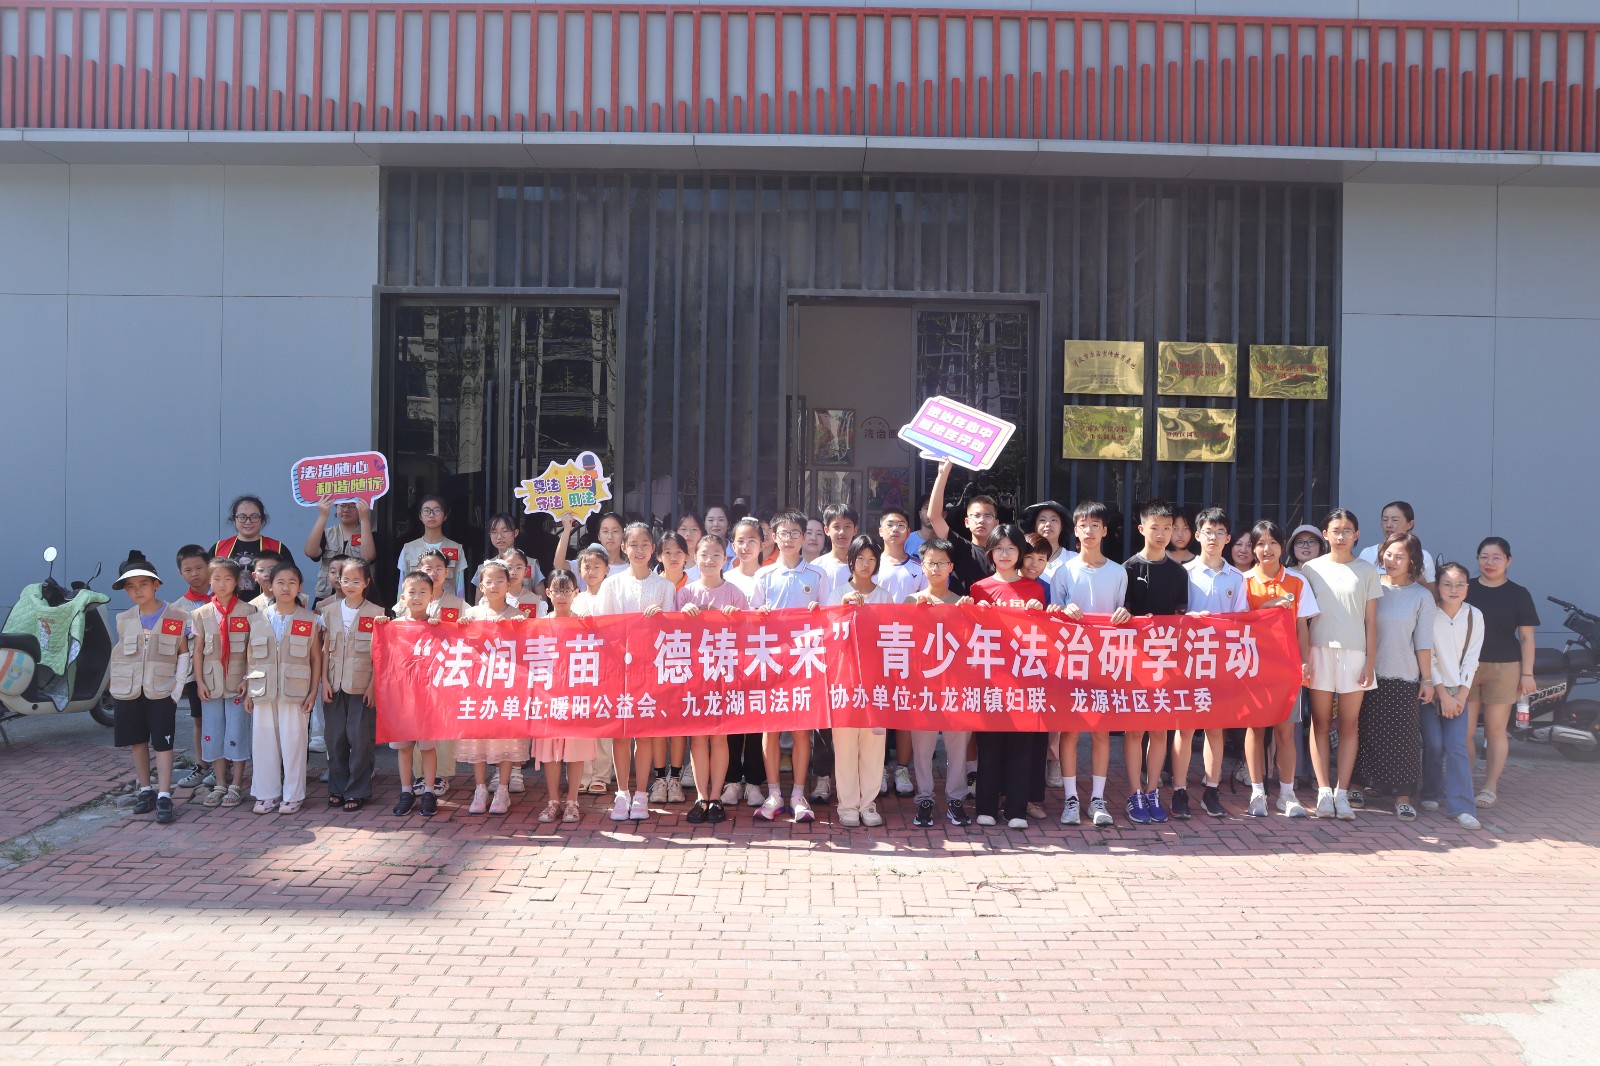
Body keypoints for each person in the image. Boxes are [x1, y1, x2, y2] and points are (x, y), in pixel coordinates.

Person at [1300, 508, 1384, 820]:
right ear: (1325, 534)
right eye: (1335, 530)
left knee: (1349, 725)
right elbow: (1303, 620)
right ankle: (1323, 792)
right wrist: (1304, 657)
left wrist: (1370, 661)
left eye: (1347, 530)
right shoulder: (1311, 569)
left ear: (1356, 535)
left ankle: (1342, 793)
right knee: (1320, 723)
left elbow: (1371, 621)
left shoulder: (1367, 571)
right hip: (1319, 651)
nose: (1341, 536)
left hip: (1355, 655)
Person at [1050, 501, 1130, 825]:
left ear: (1105, 531)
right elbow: (1051, 619)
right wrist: (1062, 611)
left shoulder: (1119, 572)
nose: (1090, 531)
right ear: (1076, 531)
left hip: (1106, 661)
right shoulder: (1064, 571)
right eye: (1084, 525)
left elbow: (1121, 614)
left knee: (1101, 731)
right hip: (1072, 661)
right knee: (1070, 732)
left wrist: (1125, 615)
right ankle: (1071, 799)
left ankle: (1097, 799)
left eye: (1095, 525)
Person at [969, 525, 1049, 830]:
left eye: (1011, 548)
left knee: (1022, 746)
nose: (1005, 554)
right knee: (989, 746)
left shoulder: (1034, 589)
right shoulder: (979, 588)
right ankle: (986, 807)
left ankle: (1016, 809)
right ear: (990, 553)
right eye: (999, 548)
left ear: (1020, 553)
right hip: (991, 679)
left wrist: (1039, 613)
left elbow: (1043, 634)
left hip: (1025, 679)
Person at [597, 522, 677, 822]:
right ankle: (622, 792)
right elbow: (604, 628)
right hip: (619, 670)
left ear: (653, 549)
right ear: (623, 548)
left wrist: (661, 619)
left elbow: (672, 634)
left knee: (643, 734)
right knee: (621, 734)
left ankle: (641, 793)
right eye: (633, 544)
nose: (639, 550)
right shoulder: (611, 585)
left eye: (645, 544)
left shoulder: (665, 587)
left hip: (650, 671)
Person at [1353, 533, 1435, 821]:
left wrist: (1427, 680)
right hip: (1365, 673)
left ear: (1413, 561)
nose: (1392, 561)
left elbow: (1423, 642)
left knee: (1404, 739)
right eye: (1388, 554)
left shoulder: (1422, 596)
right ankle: (1356, 786)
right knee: (1361, 732)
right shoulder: (1371, 586)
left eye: (1400, 556)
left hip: (1403, 676)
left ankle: (1402, 796)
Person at [1174, 506, 1250, 819]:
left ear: (1228, 538)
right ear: (1197, 535)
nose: (1214, 538)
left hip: (1220, 663)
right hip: (1188, 661)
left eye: (1220, 532)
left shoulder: (1237, 577)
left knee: (1215, 728)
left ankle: (1211, 790)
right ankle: (1179, 790)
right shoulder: (1183, 572)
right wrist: (1188, 618)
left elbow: (1242, 622)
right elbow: (1172, 616)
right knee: (1185, 728)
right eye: (1208, 532)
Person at [752, 510, 827, 823]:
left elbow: (828, 620)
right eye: (784, 533)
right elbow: (750, 620)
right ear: (774, 537)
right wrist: (760, 614)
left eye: (796, 533)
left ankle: (798, 794)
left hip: (804, 663)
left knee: (800, 729)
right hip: (771, 661)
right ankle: (773, 794)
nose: (790, 539)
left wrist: (819, 612)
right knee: (770, 730)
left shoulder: (818, 575)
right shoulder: (763, 575)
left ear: (804, 537)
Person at [1241, 520, 1319, 818]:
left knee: (1286, 731)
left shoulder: (1297, 582)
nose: (1267, 549)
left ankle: (1287, 794)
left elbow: (1302, 626)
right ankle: (1257, 792)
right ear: (1253, 549)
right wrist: (1269, 606)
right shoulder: (1243, 581)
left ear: (1282, 546)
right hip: (1253, 666)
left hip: (1286, 668)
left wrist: (1304, 661)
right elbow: (1240, 624)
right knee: (1255, 729)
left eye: (1273, 542)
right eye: (1260, 543)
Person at [1118, 500, 1188, 827]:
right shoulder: (1127, 569)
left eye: (1167, 528)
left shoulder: (1179, 572)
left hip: (1166, 661)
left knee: (1160, 730)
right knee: (1134, 730)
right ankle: (1134, 793)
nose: (1161, 534)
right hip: (1134, 661)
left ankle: (1152, 791)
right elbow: (1120, 614)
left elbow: (1181, 616)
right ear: (1141, 528)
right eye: (1155, 527)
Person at [108, 550, 190, 826]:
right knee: (137, 741)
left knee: (163, 743)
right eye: (131, 586)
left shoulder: (177, 616)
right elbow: (120, 656)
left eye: (143, 584)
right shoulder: (123, 619)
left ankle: (164, 794)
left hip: (162, 691)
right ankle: (146, 789)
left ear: (156, 584)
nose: (137, 591)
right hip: (129, 691)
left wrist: (176, 691)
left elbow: (183, 654)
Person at [676, 534, 747, 823]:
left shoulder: (735, 594)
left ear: (725, 558)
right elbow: (672, 635)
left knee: (719, 737)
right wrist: (682, 614)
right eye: (704, 554)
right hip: (694, 676)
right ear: (695, 557)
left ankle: (716, 796)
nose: (709, 560)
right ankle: (700, 797)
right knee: (697, 739)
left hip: (723, 676)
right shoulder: (685, 594)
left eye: (716, 554)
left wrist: (737, 616)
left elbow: (748, 636)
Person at [244, 562, 323, 816]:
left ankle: (293, 795)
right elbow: (251, 657)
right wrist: (249, 690)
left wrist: (313, 692)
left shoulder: (310, 619)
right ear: (270, 585)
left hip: (296, 691)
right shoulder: (256, 618)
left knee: (294, 743)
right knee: (263, 743)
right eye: (280, 582)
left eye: (292, 583)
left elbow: (316, 658)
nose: (286, 587)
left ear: (300, 587)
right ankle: (266, 794)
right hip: (263, 690)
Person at [1465, 537, 1539, 809]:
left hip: (1505, 667)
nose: (1490, 562)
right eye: (1484, 557)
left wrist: (1527, 673)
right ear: (1477, 559)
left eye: (1497, 557)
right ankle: (1464, 784)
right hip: (1467, 667)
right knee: (1464, 732)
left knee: (1495, 730)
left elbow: (1527, 638)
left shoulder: (1519, 594)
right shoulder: (1466, 588)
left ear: (1509, 561)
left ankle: (1490, 787)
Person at [457, 560, 530, 815]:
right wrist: (461, 627)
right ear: (481, 586)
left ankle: (502, 789)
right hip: (478, 687)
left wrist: (522, 626)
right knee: (478, 739)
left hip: (507, 688)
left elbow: (527, 651)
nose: (494, 585)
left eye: (500, 580)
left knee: (506, 738)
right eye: (489, 581)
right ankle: (480, 788)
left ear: (509, 584)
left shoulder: (517, 615)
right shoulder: (472, 614)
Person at [189, 557, 255, 809]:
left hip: (238, 682)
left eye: (228, 579)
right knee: (213, 731)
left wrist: (248, 678)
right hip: (211, 682)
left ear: (237, 582)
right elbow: (197, 650)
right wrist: (199, 682)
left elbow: (252, 650)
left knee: (236, 730)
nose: (222, 583)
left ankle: (236, 784)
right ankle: (219, 783)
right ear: (210, 581)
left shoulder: (249, 611)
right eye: (216, 578)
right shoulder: (201, 613)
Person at [320, 558, 385, 813]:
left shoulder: (377, 613)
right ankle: (337, 787)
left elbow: (380, 654)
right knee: (335, 739)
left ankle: (357, 790)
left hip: (361, 686)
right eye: (345, 580)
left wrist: (373, 685)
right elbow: (325, 649)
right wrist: (324, 681)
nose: (350, 585)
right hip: (334, 684)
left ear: (366, 583)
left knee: (360, 740)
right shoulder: (328, 611)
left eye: (356, 581)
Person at [1426, 562, 1484, 829]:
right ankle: (1431, 792)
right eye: (1447, 584)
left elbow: (1472, 658)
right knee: (1434, 744)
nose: (1454, 589)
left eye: (1460, 584)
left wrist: (1460, 696)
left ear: (1468, 587)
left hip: (1459, 691)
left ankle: (1462, 807)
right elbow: (1427, 655)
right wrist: (1442, 693)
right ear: (1437, 586)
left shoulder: (1475, 615)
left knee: (1457, 746)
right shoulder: (1429, 612)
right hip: (1430, 689)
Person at [534, 570, 595, 824]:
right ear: (548, 593)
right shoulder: (538, 624)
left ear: (575, 593)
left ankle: (572, 801)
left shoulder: (585, 623)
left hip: (576, 695)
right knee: (549, 751)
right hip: (547, 695)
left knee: (575, 749)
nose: (561, 596)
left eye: (566, 590)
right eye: (556, 590)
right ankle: (553, 801)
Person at [383, 570, 444, 817]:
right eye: (412, 592)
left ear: (432, 597)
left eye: (422, 592)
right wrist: (382, 626)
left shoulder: (438, 626)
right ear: (403, 596)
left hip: (428, 699)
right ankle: (406, 791)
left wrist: (446, 628)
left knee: (428, 747)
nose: (417, 597)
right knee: (404, 747)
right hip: (402, 698)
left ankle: (429, 791)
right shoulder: (393, 626)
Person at [719, 517, 770, 809]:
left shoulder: (769, 575)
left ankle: (754, 782)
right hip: (731, 659)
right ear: (732, 545)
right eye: (740, 540)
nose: (746, 546)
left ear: (762, 543)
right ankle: (731, 781)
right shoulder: (725, 577)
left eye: (752, 540)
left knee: (757, 721)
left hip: (762, 659)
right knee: (732, 720)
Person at [648, 531, 693, 801]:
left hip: (687, 664)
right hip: (655, 663)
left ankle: (675, 778)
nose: (673, 557)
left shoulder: (695, 584)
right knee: (656, 721)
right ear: (658, 556)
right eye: (667, 552)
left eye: (678, 552)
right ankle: (658, 779)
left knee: (679, 722)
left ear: (687, 555)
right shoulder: (653, 584)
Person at [569, 543, 616, 796]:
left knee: (604, 721)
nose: (591, 571)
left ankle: (600, 774)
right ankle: (583, 773)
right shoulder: (576, 599)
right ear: (579, 570)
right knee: (582, 721)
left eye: (597, 566)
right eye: (586, 566)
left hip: (608, 666)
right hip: (581, 667)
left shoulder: (614, 596)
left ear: (607, 569)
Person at [170, 544, 213, 791]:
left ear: (209, 567)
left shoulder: (224, 597)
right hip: (195, 675)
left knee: (224, 719)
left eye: (199, 567)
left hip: (224, 671)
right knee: (199, 720)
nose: (195, 573)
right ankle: (202, 765)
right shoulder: (178, 608)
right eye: (188, 570)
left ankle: (225, 765)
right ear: (180, 573)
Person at [926, 458, 998, 594]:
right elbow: (934, 517)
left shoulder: (1003, 553)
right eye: (976, 516)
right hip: (961, 607)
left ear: (996, 523)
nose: (981, 520)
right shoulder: (960, 547)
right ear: (966, 522)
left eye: (988, 516)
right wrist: (942, 474)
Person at [213, 495, 294, 599]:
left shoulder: (278, 548)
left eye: (254, 517)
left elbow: (292, 580)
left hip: (269, 607)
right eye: (242, 517)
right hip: (228, 607)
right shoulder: (219, 547)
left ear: (262, 519)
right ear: (234, 518)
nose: (248, 522)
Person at [304, 496, 377, 604]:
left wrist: (364, 518)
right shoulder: (327, 534)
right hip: (327, 596)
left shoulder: (369, 535)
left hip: (358, 597)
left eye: (352, 506)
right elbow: (310, 552)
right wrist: (323, 515)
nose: (346, 510)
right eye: (342, 505)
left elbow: (368, 557)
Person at [396, 494, 467, 599]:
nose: (431, 515)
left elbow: (460, 588)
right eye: (426, 511)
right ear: (420, 516)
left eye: (437, 511)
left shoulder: (456, 548)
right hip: (417, 606)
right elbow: (402, 586)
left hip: (447, 606)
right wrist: (401, 606)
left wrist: (460, 606)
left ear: (445, 515)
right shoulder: (408, 548)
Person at [1358, 501, 1437, 588]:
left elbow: (1433, 594)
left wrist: (1418, 579)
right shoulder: (1367, 553)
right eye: (1385, 520)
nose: (1388, 525)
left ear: (1410, 524)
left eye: (1395, 520)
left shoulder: (1424, 556)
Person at [473, 513, 543, 601]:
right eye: (494, 532)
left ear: (515, 533)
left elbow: (542, 601)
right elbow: (478, 602)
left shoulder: (531, 564)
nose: (499, 536)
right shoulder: (484, 567)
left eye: (505, 531)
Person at [874, 507, 927, 602]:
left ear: (908, 532)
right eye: (890, 525)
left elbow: (926, 599)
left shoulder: (920, 567)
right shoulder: (871, 565)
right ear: (880, 531)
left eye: (900, 525)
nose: (895, 529)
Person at [1020, 500, 1075, 584]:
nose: (1048, 524)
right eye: (1042, 520)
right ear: (1035, 526)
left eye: (1054, 520)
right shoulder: (1020, 556)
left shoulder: (1074, 559)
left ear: (1062, 526)